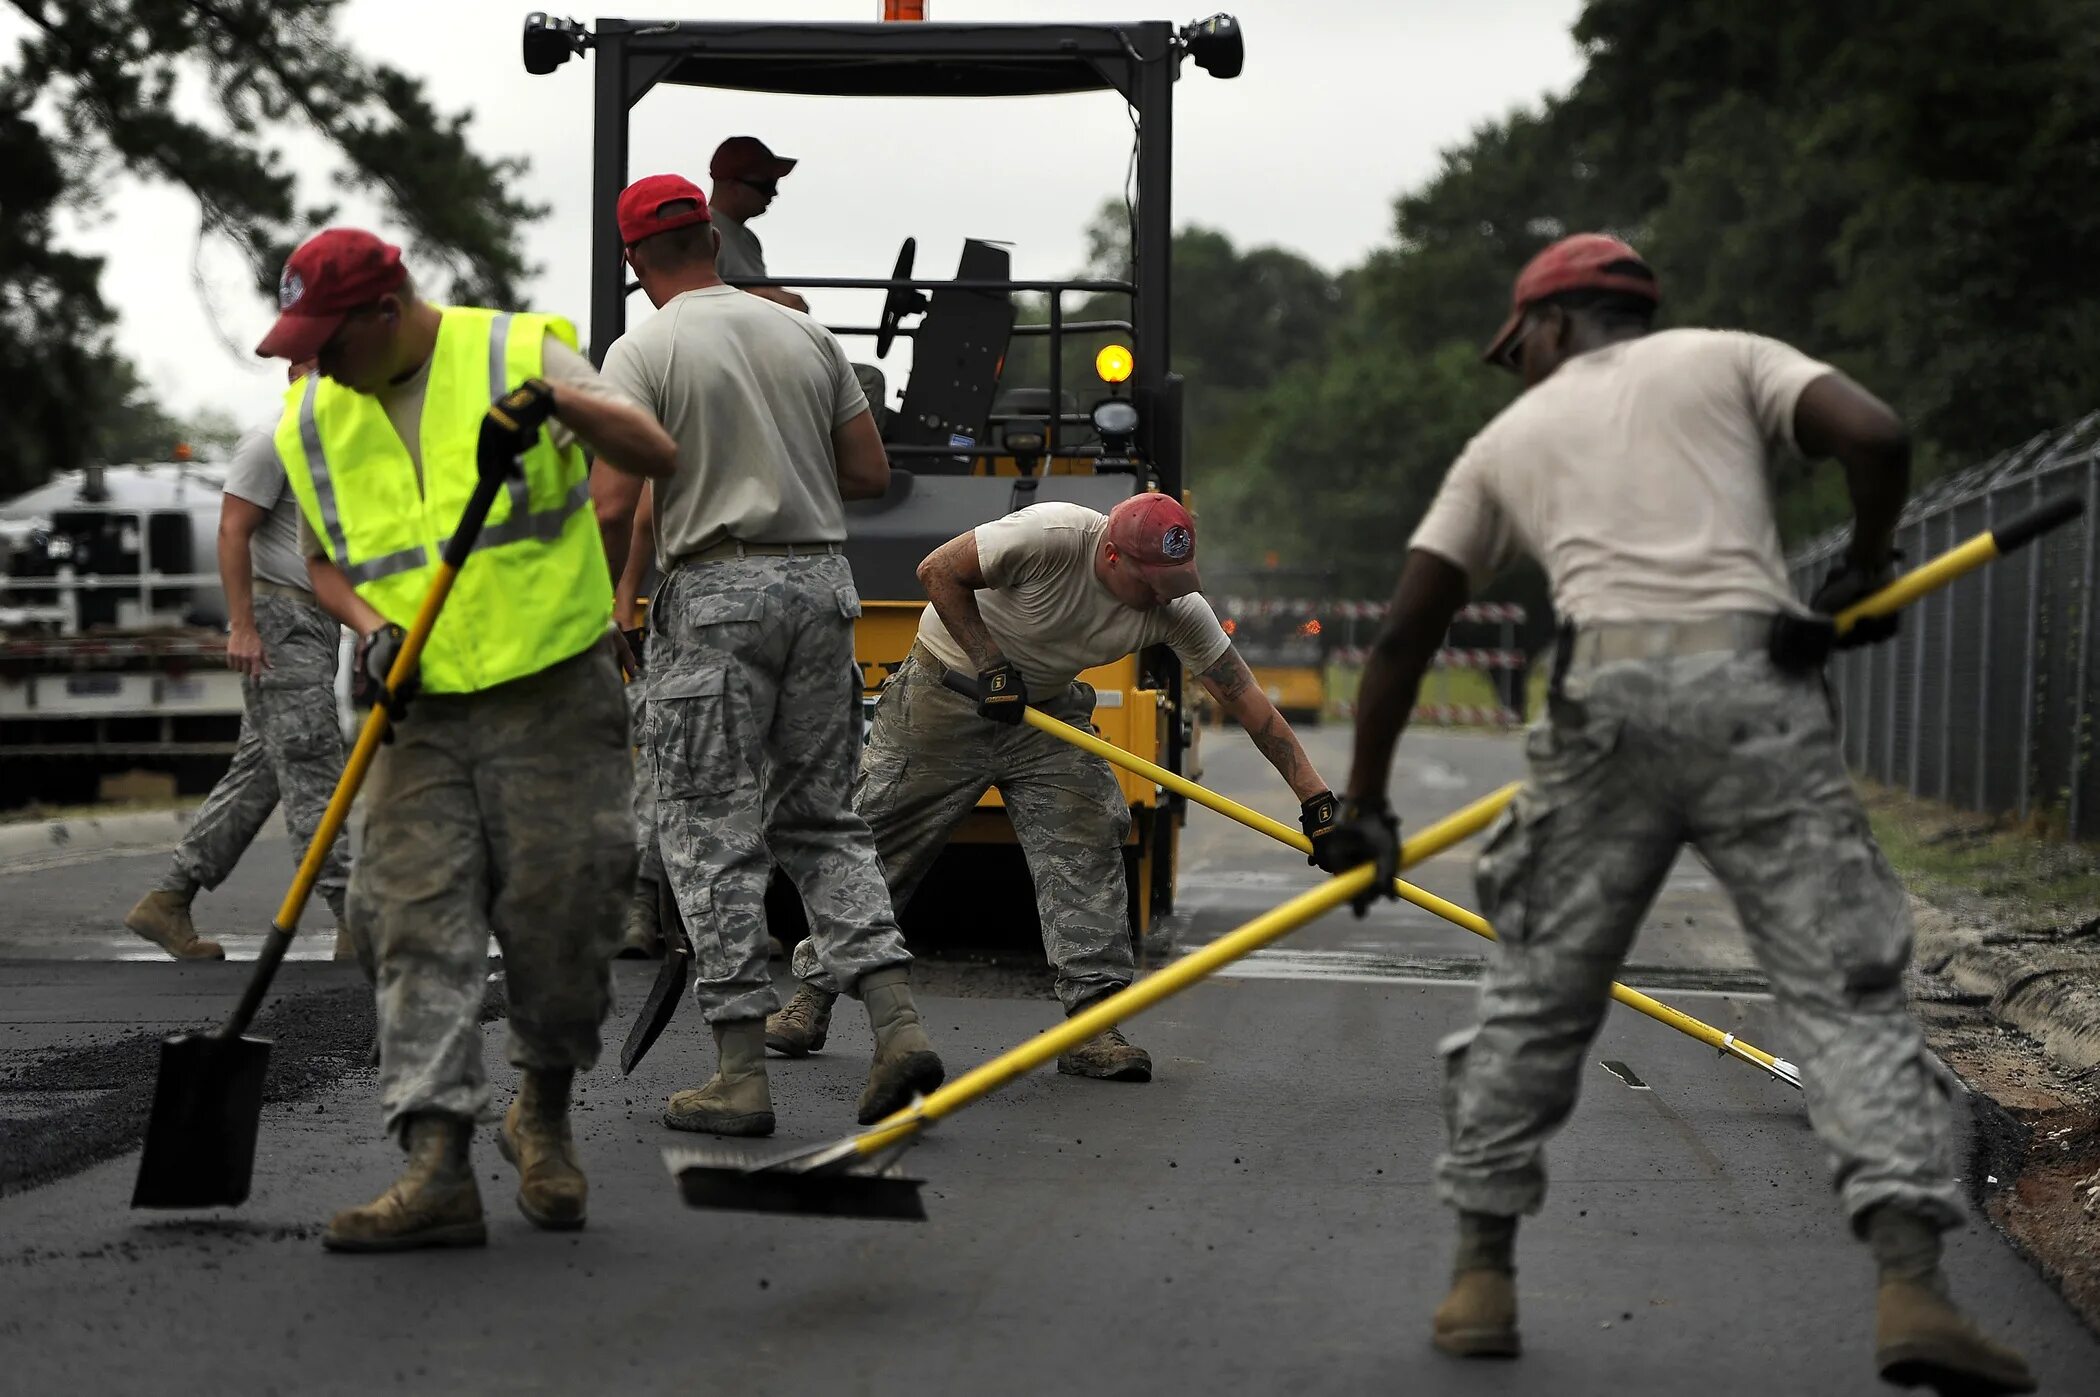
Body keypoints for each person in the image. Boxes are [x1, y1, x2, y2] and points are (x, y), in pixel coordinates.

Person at [1317, 233, 2035, 1394]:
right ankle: (1912, 1284)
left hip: (1607, 701)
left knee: (1541, 987)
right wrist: (1859, 566)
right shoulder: (1734, 358)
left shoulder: (1507, 439)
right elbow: (1880, 435)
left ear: (1550, 326)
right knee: (1841, 985)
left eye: (1525, 346)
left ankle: (1481, 1278)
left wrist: (1367, 809)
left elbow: (1403, 634)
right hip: (1758, 692)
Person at [257, 226, 679, 1251]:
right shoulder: (313, 414)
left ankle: (540, 1109)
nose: (311, 361)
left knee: (565, 908)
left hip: (553, 688)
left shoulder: (516, 353)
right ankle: (435, 1161)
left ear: (387, 312)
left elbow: (655, 453)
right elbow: (324, 562)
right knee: (408, 915)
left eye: (326, 338)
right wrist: (371, 626)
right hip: (421, 706)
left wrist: (558, 407)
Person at [766, 495, 1342, 1083]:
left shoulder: (1176, 606)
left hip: (1044, 715)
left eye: (1176, 582)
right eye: (1152, 583)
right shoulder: (1051, 537)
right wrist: (990, 663)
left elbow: (1249, 704)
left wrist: (1317, 803)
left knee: (1088, 834)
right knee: (879, 842)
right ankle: (812, 996)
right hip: (944, 697)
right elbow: (937, 570)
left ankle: (1092, 1025)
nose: (1164, 595)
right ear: (1111, 555)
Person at [596, 173, 942, 1139]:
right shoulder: (804, 334)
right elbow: (869, 472)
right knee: (825, 821)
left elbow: (615, 502)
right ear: (712, 238)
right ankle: (898, 1024)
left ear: (635, 261)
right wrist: (780, 468)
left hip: (714, 599)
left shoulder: (644, 347)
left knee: (709, 832)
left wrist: (613, 603)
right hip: (821, 586)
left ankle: (739, 1076)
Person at [123, 360, 355, 965]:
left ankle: (168, 901)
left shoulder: (325, 447)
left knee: (257, 778)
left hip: (312, 623)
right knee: (316, 769)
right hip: (280, 626)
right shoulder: (271, 439)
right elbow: (232, 530)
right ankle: (356, 918)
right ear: (296, 370)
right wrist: (244, 625)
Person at [707, 135, 808, 311]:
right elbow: (699, 297)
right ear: (733, 185)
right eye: (766, 185)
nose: (774, 193)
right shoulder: (701, 232)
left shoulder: (748, 239)